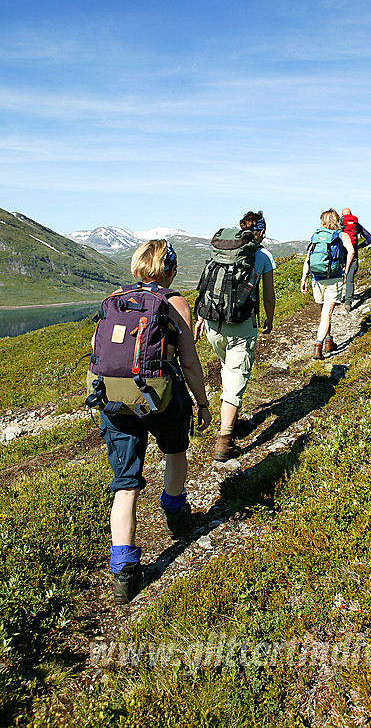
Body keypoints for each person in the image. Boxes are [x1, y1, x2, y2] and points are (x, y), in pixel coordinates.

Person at [94, 240, 211, 604]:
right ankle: (175, 512)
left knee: (125, 483)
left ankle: (124, 573)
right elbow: (189, 361)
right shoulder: (174, 302)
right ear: (170, 268)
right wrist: (202, 402)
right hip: (161, 395)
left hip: (114, 398)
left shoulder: (114, 298)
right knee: (175, 450)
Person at [194, 211, 276, 462]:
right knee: (235, 377)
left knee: (227, 369)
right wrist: (269, 319)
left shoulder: (221, 251)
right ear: (260, 231)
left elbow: (210, 286)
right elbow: (268, 295)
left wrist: (200, 317)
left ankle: (230, 416)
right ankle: (225, 441)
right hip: (242, 323)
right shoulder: (262, 256)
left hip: (212, 322)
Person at [301, 209, 354, 359]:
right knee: (327, 313)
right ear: (337, 220)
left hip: (317, 278)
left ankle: (329, 341)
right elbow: (351, 252)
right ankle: (318, 346)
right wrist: (346, 270)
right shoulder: (341, 235)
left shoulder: (316, 235)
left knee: (323, 312)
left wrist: (303, 278)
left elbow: (308, 259)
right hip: (334, 276)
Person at [341, 208, 371, 312]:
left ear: (342, 215)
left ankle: (334, 298)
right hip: (353, 252)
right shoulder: (356, 225)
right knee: (350, 277)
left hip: (341, 252)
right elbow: (370, 238)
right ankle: (348, 303)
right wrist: (359, 246)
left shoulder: (339, 224)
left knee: (337, 275)